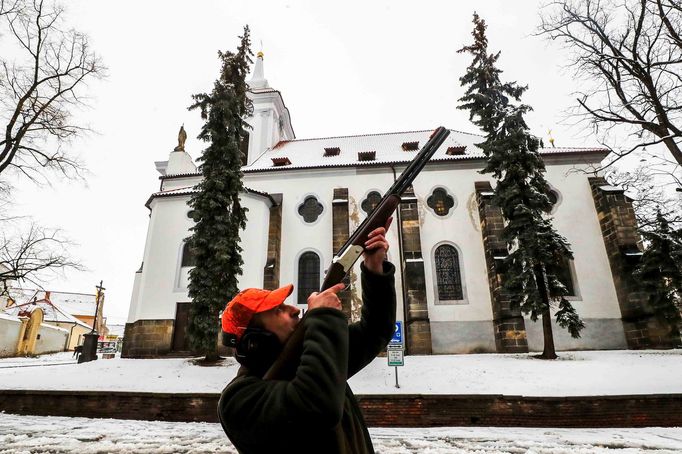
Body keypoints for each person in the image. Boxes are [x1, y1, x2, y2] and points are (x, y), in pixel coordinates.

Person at [218, 222, 396, 454]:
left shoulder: (308, 358)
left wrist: (374, 268)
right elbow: (318, 404)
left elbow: (376, 330)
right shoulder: (238, 401)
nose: (293, 309)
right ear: (254, 339)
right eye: (277, 310)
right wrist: (323, 317)